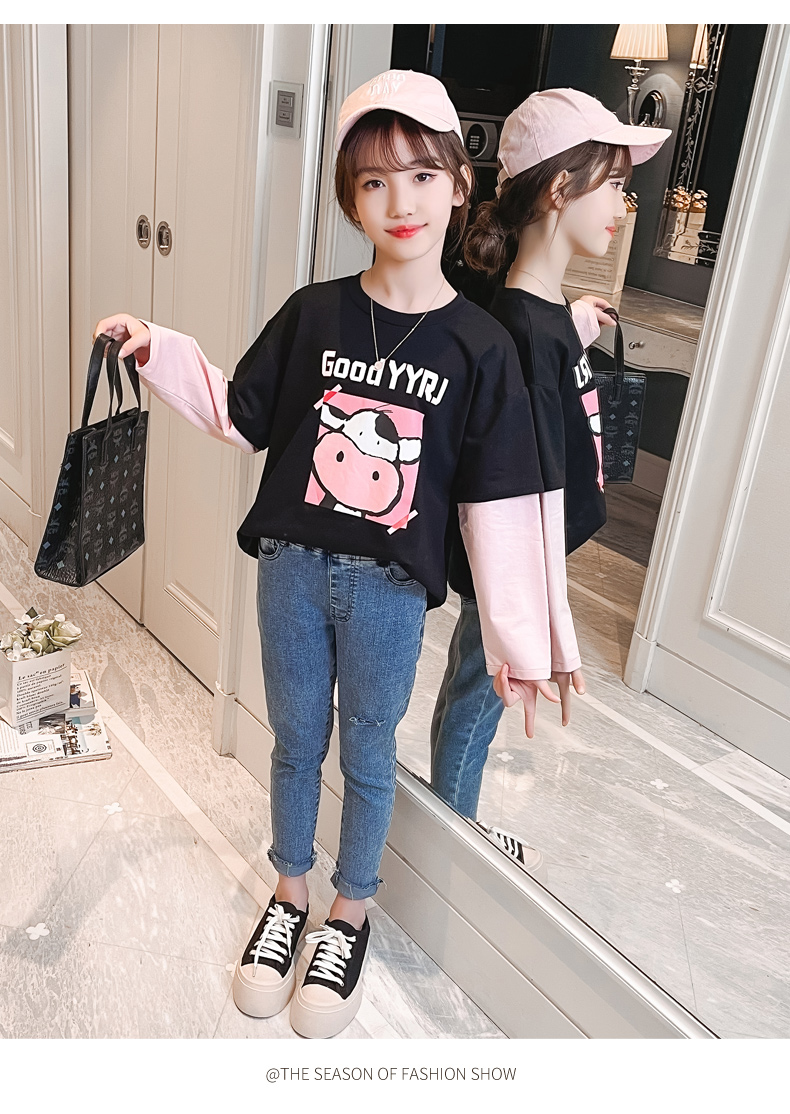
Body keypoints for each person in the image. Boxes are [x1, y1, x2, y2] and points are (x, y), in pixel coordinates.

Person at [92, 70, 580, 1039]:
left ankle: (349, 913)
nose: (400, 202)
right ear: (350, 199)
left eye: (422, 176)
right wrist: (158, 346)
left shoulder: (480, 348)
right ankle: (289, 894)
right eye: (373, 181)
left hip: (392, 593)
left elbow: (495, 508)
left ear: (460, 185)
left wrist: (521, 640)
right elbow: (240, 410)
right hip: (291, 570)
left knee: (367, 752)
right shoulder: (314, 313)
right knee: (293, 741)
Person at [430, 88, 671, 826]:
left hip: (521, 555)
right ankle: (454, 835)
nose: (624, 206)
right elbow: (517, 480)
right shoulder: (526, 335)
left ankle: (452, 820)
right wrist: (532, 608)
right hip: (514, 562)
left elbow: (539, 364)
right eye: (616, 185)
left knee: (473, 684)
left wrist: (574, 326)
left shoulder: (533, 315)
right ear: (561, 188)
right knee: (480, 694)